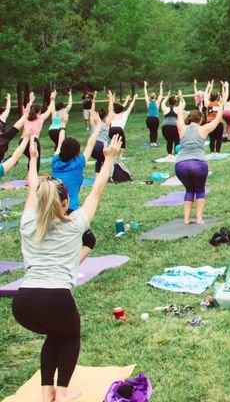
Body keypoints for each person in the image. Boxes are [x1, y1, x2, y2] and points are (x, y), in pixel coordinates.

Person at [13, 135, 120, 402]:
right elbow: (97, 189)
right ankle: (62, 392)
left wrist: (35, 160)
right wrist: (108, 158)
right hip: (55, 297)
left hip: (23, 302)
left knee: (55, 333)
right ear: (65, 202)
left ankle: (46, 390)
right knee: (70, 335)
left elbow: (30, 191)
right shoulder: (75, 223)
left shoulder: (27, 222)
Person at [52, 126, 100, 263]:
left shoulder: (55, 161)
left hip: (52, 208)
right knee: (89, 240)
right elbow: (91, 143)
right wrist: (98, 126)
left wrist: (62, 126)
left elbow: (60, 144)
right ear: (76, 153)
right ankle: (71, 265)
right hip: (69, 208)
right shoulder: (78, 163)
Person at [175, 94, 222, 225]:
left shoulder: (182, 128)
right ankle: (199, 219)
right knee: (200, 190)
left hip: (181, 165)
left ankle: (186, 219)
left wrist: (181, 104)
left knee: (189, 190)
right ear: (200, 119)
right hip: (198, 164)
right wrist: (221, 105)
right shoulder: (204, 128)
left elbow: (178, 115)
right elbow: (217, 120)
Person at [206, 84, 227, 154]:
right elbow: (224, 96)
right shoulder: (219, 103)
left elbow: (205, 95)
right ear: (217, 97)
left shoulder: (208, 103)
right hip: (218, 123)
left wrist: (208, 87)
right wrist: (225, 87)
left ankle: (212, 151)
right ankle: (217, 152)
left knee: (212, 138)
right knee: (219, 138)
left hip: (210, 123)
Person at [142, 81, 163, 148]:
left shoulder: (148, 102)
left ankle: (151, 142)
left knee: (151, 131)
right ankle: (154, 142)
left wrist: (145, 86)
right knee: (155, 130)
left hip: (149, 119)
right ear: (155, 97)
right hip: (155, 118)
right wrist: (160, 85)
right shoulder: (157, 102)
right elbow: (161, 94)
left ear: (150, 97)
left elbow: (145, 94)